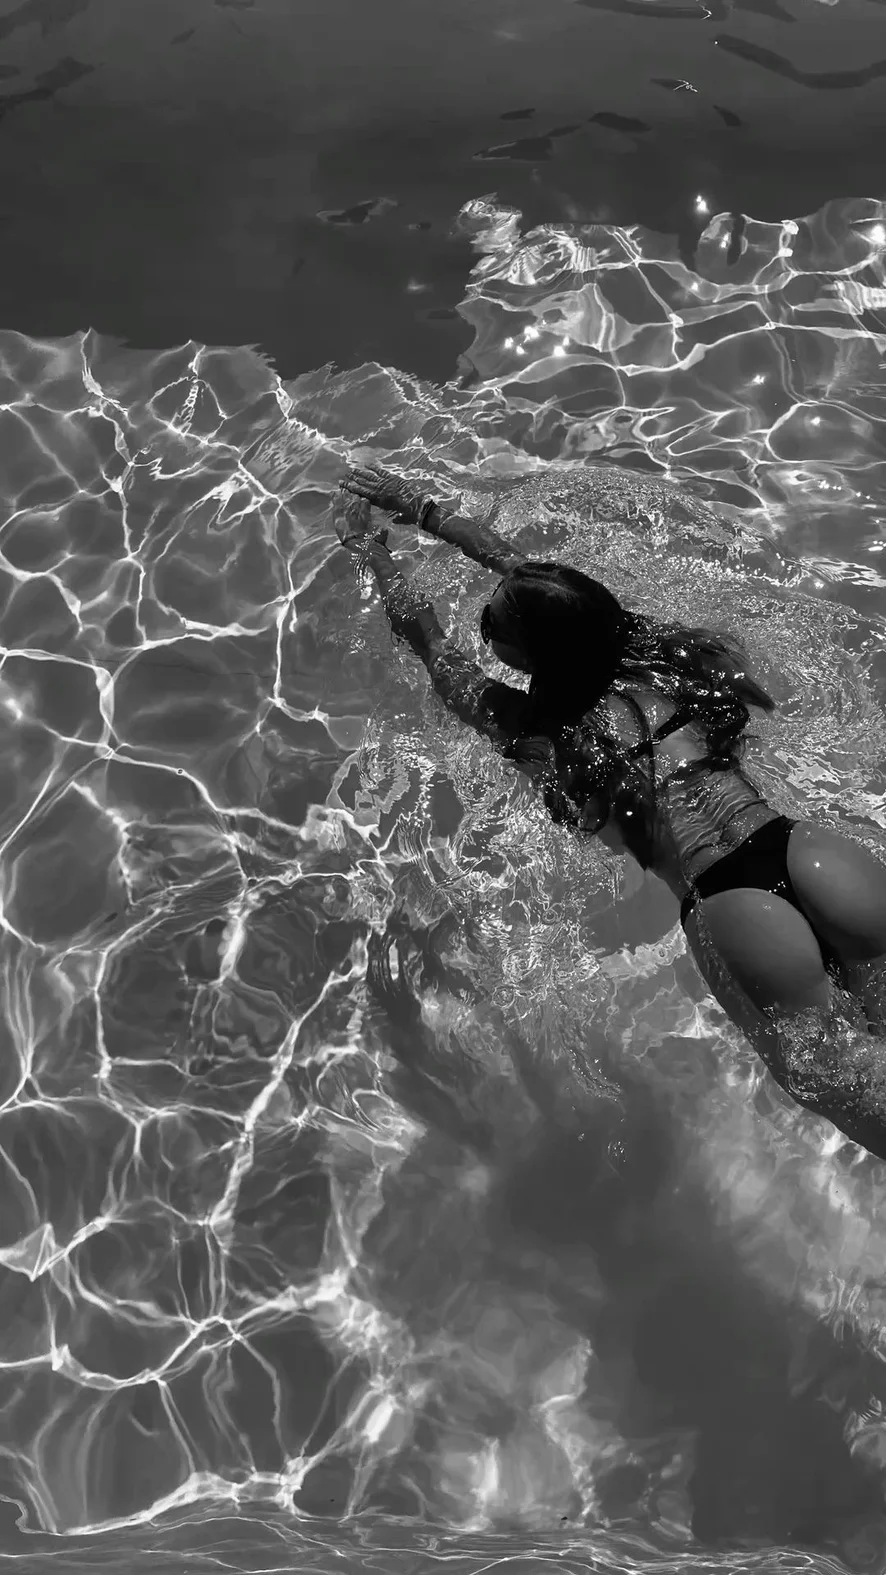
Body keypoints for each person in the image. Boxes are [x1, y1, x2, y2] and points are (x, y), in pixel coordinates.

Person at [335, 462, 886, 1159]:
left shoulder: (536, 731)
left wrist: (369, 550)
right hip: (809, 851)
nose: (486, 623)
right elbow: (522, 570)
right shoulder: (659, 657)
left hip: (730, 904)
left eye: (494, 622)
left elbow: (428, 640)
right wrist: (422, 508)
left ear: (528, 654)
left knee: (844, 1085)